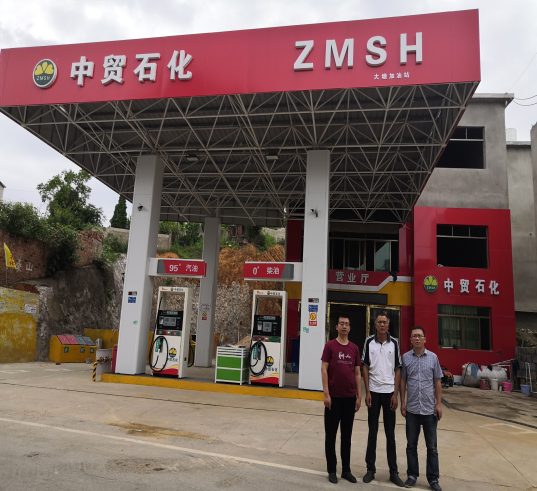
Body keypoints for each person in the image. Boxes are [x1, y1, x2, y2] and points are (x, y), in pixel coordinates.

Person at [361, 312, 404, 487]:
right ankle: (370, 470)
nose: (382, 325)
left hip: (389, 393)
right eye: (379, 322)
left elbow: (398, 368)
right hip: (374, 392)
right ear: (375, 324)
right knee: (372, 432)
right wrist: (367, 391)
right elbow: (365, 366)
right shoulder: (368, 342)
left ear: (388, 324)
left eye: (385, 322)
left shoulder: (395, 343)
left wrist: (395, 394)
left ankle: (393, 472)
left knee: (390, 434)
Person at [400, 326, 443, 491]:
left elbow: (437, 382)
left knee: (432, 447)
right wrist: (402, 402)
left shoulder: (433, 358)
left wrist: (438, 404)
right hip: (411, 410)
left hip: (429, 410)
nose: (417, 338)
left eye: (419, 336)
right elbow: (403, 381)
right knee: (411, 445)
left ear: (425, 339)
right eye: (414, 336)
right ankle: (412, 475)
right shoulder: (405, 358)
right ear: (410, 340)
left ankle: (433, 479)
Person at [321, 315, 362, 484]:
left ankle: (346, 470)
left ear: (350, 328)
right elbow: (324, 369)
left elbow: (357, 373)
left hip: (349, 398)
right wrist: (326, 394)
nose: (344, 326)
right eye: (341, 324)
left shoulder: (354, 348)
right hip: (333, 399)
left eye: (347, 324)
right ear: (336, 327)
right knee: (331, 436)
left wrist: (359, 396)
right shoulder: (330, 346)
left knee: (346, 436)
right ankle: (332, 470)